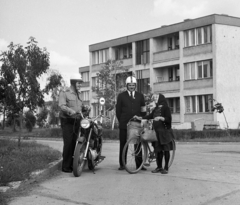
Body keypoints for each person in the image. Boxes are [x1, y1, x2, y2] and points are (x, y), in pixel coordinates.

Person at [135, 93, 174, 174]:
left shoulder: (166, 108)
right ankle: (159, 167)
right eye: (154, 98)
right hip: (156, 132)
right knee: (158, 150)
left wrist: (161, 118)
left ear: (161, 98)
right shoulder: (156, 108)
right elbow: (150, 116)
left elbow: (168, 119)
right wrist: (141, 118)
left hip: (164, 132)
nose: (155, 99)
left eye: (157, 97)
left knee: (166, 150)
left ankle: (166, 167)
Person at [116, 76, 146, 170]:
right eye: (130, 85)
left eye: (133, 85)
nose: (132, 86)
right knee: (123, 144)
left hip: (137, 124)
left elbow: (143, 109)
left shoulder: (140, 96)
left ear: (135, 85)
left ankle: (139, 165)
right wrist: (121, 121)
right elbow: (118, 111)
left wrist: (142, 118)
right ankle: (122, 164)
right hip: (124, 124)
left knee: (138, 144)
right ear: (127, 85)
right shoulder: (121, 96)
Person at [58, 74, 83, 173]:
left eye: (80, 83)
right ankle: (65, 166)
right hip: (67, 121)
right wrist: (70, 111)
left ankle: (73, 165)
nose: (80, 85)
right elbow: (62, 105)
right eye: (78, 83)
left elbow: (80, 106)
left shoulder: (78, 94)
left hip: (76, 121)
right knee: (68, 143)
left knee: (74, 143)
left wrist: (85, 108)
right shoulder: (65, 92)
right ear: (73, 83)